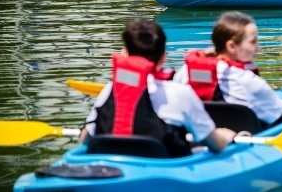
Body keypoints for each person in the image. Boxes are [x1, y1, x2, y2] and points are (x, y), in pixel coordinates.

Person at [81, 17, 235, 156]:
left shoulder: (111, 89)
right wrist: (226, 137)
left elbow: (85, 139)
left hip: (114, 165)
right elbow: (215, 145)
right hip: (165, 170)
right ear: (163, 57)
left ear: (125, 55)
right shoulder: (180, 93)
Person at [174, 11, 282, 127]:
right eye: (253, 42)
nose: (258, 48)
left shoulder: (186, 71)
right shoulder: (249, 81)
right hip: (242, 136)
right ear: (231, 46)